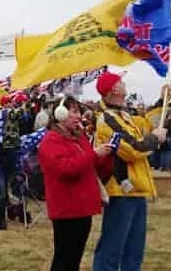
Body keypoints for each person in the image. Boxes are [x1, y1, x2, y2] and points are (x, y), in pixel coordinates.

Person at [92, 71, 166, 271]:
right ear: (114, 89)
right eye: (121, 82)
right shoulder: (106, 120)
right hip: (120, 192)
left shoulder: (124, 115)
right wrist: (154, 139)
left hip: (136, 190)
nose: (125, 84)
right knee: (111, 249)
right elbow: (132, 149)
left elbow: (149, 124)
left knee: (134, 252)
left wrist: (164, 100)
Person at [39, 94, 113, 271]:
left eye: (79, 112)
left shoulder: (79, 138)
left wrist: (107, 154)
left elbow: (90, 165)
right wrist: (94, 154)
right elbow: (66, 169)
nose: (79, 116)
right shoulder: (51, 141)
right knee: (64, 259)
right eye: (74, 112)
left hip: (82, 207)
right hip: (67, 209)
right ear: (60, 113)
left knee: (74, 259)